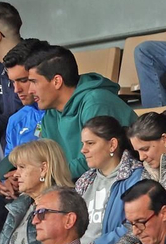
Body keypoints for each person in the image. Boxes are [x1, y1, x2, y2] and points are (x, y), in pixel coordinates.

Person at [28, 45, 137, 178]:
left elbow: (98, 159)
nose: (30, 90)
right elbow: (45, 160)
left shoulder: (96, 102)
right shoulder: (49, 115)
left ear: (57, 81)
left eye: (34, 82)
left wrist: (45, 174)